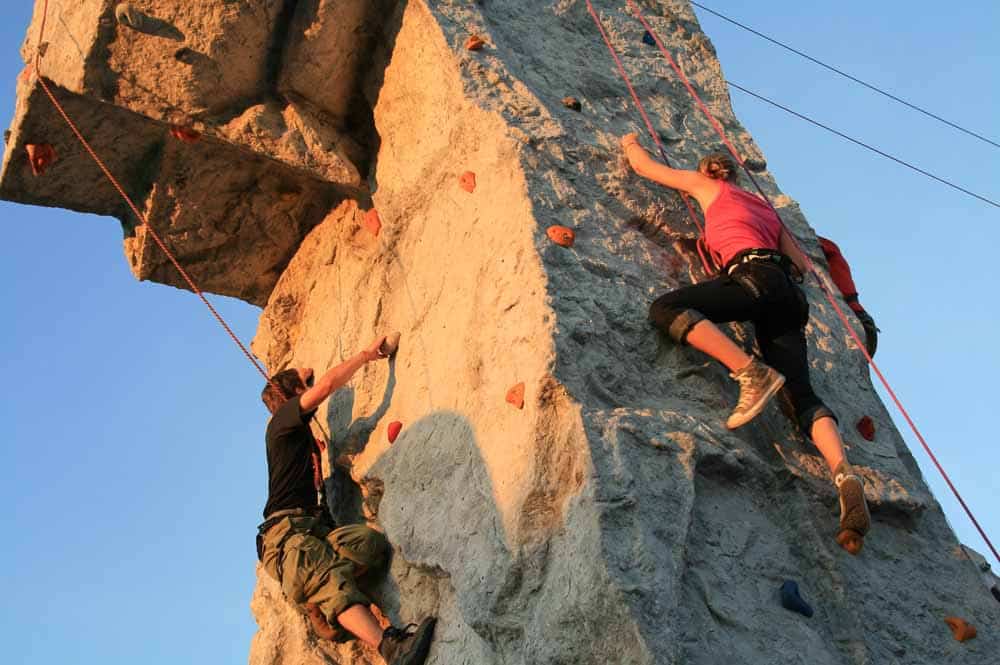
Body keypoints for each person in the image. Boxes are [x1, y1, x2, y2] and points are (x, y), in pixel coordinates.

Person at [621, 134, 871, 554]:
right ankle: (844, 473)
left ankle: (749, 373)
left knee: (666, 308)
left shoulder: (711, 188)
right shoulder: (766, 210)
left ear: (706, 173)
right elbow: (802, 266)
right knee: (802, 395)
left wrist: (630, 144)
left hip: (752, 276)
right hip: (789, 296)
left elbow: (649, 169)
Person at [257, 333, 436, 664]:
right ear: (296, 394)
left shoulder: (299, 439)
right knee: (330, 578)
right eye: (303, 382)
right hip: (287, 536)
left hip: (313, 531)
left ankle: (320, 599)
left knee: (369, 545)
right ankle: (392, 648)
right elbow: (323, 387)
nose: (310, 381)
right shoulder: (280, 424)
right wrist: (365, 356)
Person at [818, 237, 878, 357]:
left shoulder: (829, 249)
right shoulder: (833, 252)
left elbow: (805, 242)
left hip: (855, 319)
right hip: (861, 320)